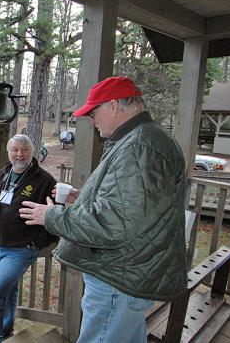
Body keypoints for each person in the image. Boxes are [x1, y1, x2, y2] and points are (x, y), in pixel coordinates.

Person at [19, 76, 187, 343]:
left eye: (93, 112)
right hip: (129, 272)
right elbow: (133, 206)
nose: (91, 120)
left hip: (118, 277)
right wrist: (83, 198)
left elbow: (115, 223)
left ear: (113, 105)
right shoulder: (141, 140)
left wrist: (51, 216)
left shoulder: (140, 147)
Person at [0, 134, 58, 343]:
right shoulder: (3, 173)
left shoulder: (45, 180)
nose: (19, 154)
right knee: (10, 287)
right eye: (15, 150)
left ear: (32, 152)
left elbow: (56, 217)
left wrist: (37, 244)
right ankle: (6, 327)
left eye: (24, 150)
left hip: (20, 250)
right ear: (9, 152)